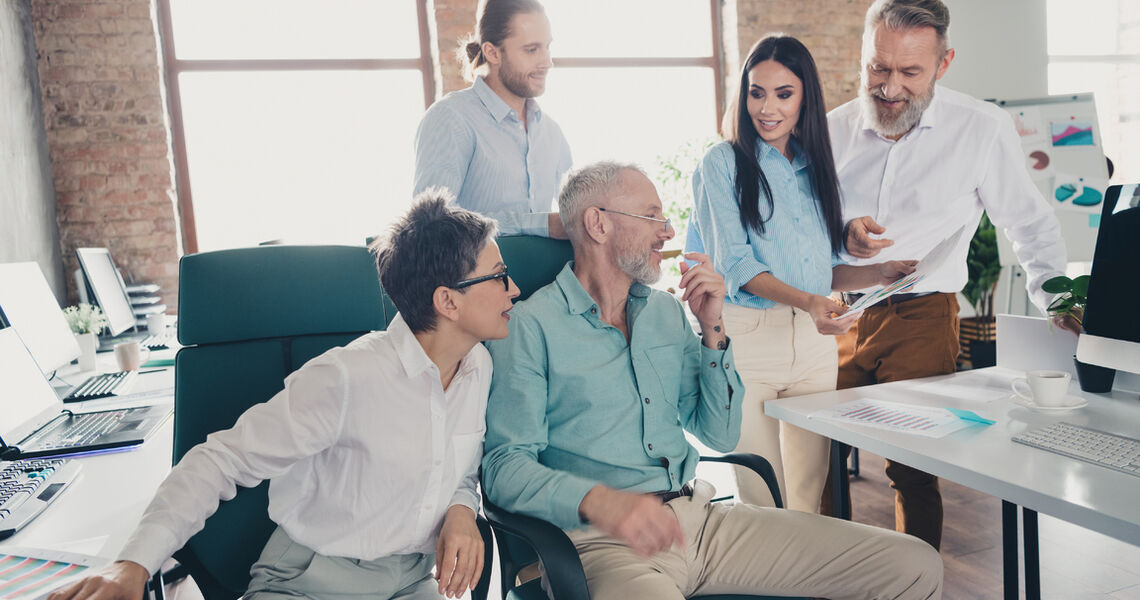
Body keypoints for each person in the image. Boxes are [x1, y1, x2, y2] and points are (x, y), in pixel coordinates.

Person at [482, 161, 943, 600]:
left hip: (701, 521)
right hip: (602, 546)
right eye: (650, 216)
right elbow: (504, 468)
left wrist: (712, 330)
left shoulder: (665, 312)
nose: (667, 231)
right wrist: (602, 502)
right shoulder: (528, 327)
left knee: (914, 564)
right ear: (597, 224)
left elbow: (718, 433)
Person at [49, 193, 520, 600]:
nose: (514, 289)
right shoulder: (347, 377)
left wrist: (462, 507)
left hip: (410, 582)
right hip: (308, 582)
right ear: (448, 301)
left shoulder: (477, 367)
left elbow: (456, 466)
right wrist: (133, 564)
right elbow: (218, 461)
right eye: (499, 276)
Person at [820, 0, 1069, 549]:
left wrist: (1058, 301)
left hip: (921, 314)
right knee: (818, 460)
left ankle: (919, 579)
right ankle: (823, 576)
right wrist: (843, 234)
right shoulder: (830, 130)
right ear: (864, 56)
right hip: (831, 315)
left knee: (913, 466)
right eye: (878, 68)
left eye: (910, 72)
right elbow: (800, 225)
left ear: (944, 63)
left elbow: (1028, 223)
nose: (889, 87)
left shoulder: (980, 128)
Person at [686, 34, 917, 512]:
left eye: (783, 94)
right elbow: (737, 265)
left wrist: (878, 273)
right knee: (762, 496)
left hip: (814, 347)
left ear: (805, 97)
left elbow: (818, 272)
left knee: (808, 495)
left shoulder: (815, 167)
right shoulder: (721, 164)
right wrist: (812, 302)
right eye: (757, 92)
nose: (766, 108)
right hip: (748, 341)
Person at [413, 0, 572, 238]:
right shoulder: (450, 119)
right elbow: (430, 225)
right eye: (532, 50)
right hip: (476, 275)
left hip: (542, 275)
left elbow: (572, 216)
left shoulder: (551, 132)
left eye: (547, 47)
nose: (547, 61)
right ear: (492, 52)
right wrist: (540, 224)